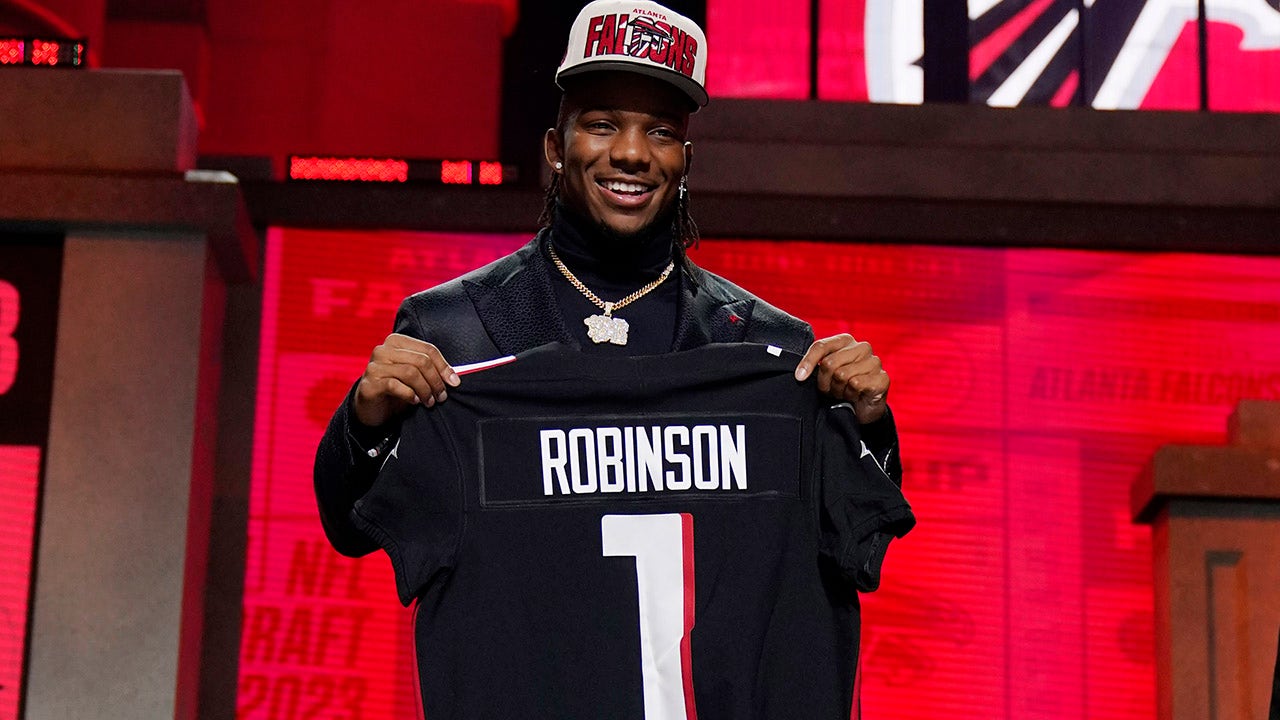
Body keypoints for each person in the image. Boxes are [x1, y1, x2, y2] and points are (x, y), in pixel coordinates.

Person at [314, 0, 902, 560]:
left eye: (660, 131)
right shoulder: (453, 328)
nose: (631, 153)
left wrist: (869, 423)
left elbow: (852, 540)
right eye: (601, 124)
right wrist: (363, 419)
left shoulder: (766, 345)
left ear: (686, 160)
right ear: (556, 147)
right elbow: (352, 529)